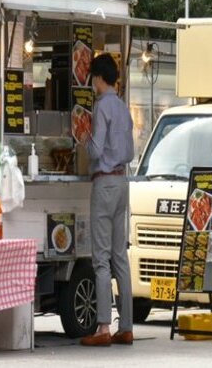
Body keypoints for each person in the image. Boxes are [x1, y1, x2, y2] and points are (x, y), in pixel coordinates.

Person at [79, 53, 135, 347]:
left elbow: (96, 148)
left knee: (101, 259)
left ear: (98, 78)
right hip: (122, 181)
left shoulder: (101, 107)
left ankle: (103, 326)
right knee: (119, 257)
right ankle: (125, 326)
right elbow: (131, 151)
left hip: (104, 183)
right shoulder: (124, 108)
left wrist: (82, 139)